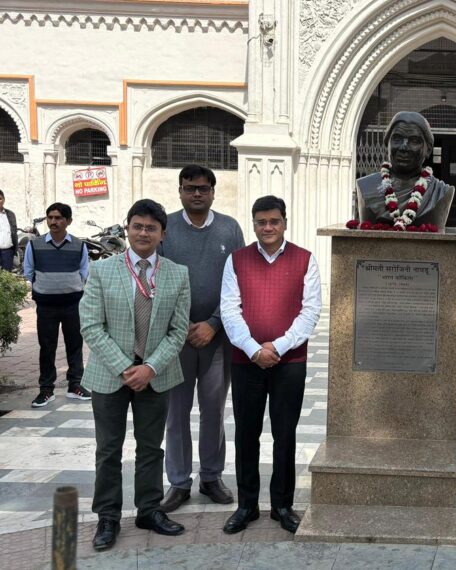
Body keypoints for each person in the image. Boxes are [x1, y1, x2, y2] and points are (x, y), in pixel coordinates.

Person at [80, 199, 191, 551]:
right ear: (127, 228)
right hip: (110, 376)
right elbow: (91, 325)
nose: (143, 233)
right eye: (137, 226)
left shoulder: (177, 273)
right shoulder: (103, 270)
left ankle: (148, 509)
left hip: (155, 375)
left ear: (163, 234)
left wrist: (150, 368)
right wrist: (126, 369)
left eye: (151, 228)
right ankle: (108, 516)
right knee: (108, 449)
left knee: (150, 448)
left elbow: (178, 330)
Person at [219, 195, 321, 535]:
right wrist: (253, 349)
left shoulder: (305, 260)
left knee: (284, 434)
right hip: (246, 361)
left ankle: (282, 505)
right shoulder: (237, 260)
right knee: (246, 433)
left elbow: (310, 312)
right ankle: (247, 505)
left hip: (289, 362)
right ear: (254, 224)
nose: (268, 227)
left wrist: (275, 347)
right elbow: (229, 310)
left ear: (285, 223)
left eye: (274, 221)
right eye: (261, 222)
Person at [159, 165, 245, 512]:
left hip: (216, 337)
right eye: (190, 188)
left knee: (213, 410)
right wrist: (184, 327)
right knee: (175, 413)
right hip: (175, 340)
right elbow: (159, 284)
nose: (197, 193)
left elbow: (239, 282)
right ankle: (178, 482)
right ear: (180, 191)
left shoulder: (230, 228)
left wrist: (213, 323)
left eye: (203, 188)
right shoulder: (166, 228)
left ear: (213, 192)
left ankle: (211, 476)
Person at [23, 202, 90, 407]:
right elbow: (28, 271)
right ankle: (46, 390)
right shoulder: (35, 244)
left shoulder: (79, 245)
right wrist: (45, 287)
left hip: (73, 304)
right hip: (46, 305)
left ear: (68, 221)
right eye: (50, 217)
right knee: (47, 346)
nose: (53, 221)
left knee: (75, 344)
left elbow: (84, 272)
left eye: (58, 218)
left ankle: (75, 385)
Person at [355, 111, 455, 229]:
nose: (404, 147)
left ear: (428, 150)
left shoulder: (441, 192)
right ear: (387, 144)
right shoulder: (366, 186)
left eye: (414, 141)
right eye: (397, 139)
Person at [0, 189, 17, 271]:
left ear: (4, 199)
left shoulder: (10, 214)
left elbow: (14, 233)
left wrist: (15, 250)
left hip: (7, 252)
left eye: (0, 198)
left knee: (7, 279)